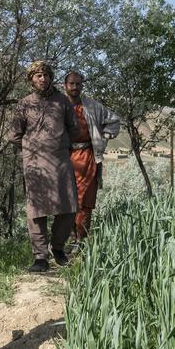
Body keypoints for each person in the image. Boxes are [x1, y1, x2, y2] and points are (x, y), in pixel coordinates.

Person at [9, 61, 80, 272]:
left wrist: (61, 145)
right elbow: (14, 135)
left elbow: (73, 129)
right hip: (34, 164)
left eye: (46, 75)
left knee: (68, 207)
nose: (43, 79)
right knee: (37, 210)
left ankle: (57, 249)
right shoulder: (24, 104)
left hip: (60, 161)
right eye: (38, 75)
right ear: (31, 79)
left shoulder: (63, 102)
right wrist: (32, 149)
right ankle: (40, 257)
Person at [62, 71, 120, 251]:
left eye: (78, 84)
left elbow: (114, 121)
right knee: (66, 200)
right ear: (65, 85)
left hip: (87, 156)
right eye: (71, 84)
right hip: (63, 157)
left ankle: (82, 239)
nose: (74, 87)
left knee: (84, 200)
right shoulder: (58, 106)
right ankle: (69, 238)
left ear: (82, 85)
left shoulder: (92, 106)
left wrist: (104, 136)